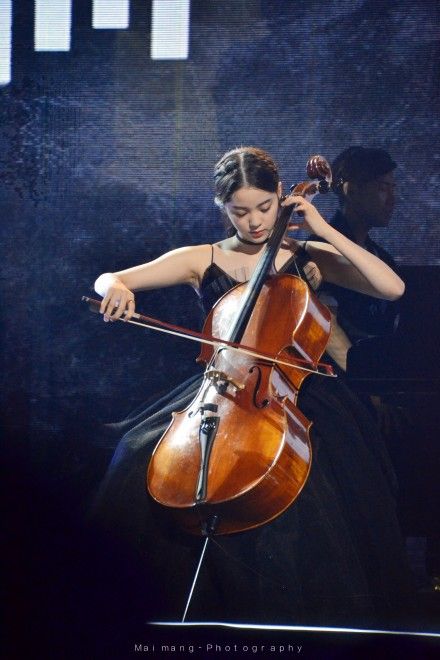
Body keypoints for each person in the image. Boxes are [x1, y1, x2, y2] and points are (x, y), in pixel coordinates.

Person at [91, 146, 414, 627]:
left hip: (298, 395)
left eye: (264, 207)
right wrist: (114, 287)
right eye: (240, 211)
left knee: (319, 495)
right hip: (222, 388)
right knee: (135, 452)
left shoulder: (307, 255)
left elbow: (392, 288)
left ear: (281, 196)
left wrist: (322, 228)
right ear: (223, 208)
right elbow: (110, 277)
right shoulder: (203, 258)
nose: (256, 221)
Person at [310, 146, 399, 372]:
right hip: (342, 383)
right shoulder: (320, 250)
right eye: (382, 188)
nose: (392, 200)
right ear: (351, 190)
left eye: (393, 189)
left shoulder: (383, 259)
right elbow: (325, 326)